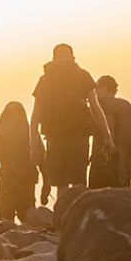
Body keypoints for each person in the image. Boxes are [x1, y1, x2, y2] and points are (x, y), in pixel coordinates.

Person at [32, 43, 99, 200]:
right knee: (78, 183)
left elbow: (36, 115)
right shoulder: (83, 76)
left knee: (60, 184)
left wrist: (32, 146)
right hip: (79, 137)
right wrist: (108, 138)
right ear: (73, 57)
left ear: (53, 58)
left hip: (54, 136)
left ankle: (61, 218)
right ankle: (77, 216)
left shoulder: (45, 79)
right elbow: (96, 109)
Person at [0, 98, 46, 221]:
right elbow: (42, 158)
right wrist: (46, 184)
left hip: (8, 180)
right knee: (27, 217)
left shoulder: (2, 130)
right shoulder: (30, 131)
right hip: (27, 180)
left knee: (5, 218)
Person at [90, 74, 131, 189]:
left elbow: (109, 125)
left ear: (105, 88)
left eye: (97, 87)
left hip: (107, 154)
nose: (95, 91)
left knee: (96, 192)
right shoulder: (126, 104)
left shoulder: (102, 104)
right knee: (122, 188)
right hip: (127, 155)